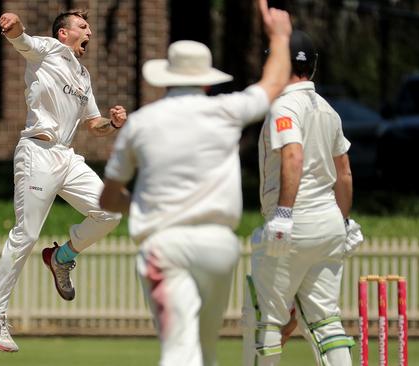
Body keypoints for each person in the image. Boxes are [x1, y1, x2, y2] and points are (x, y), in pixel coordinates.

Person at [98, 1, 292, 365]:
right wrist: (279, 37)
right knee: (203, 351)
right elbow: (274, 83)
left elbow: (107, 197)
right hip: (219, 247)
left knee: (178, 350)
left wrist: (136, 203)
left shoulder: (141, 123)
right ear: (206, 80)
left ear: (166, 77)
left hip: (166, 246)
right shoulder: (226, 112)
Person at [0, 9, 126, 352]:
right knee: (26, 233)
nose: (89, 31)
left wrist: (113, 124)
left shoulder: (83, 75)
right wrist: (14, 26)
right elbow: (22, 41)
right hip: (38, 151)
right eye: (82, 26)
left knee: (112, 211)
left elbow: (94, 126)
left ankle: (61, 257)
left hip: (66, 156)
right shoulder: (49, 49)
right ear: (64, 34)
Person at [242, 29, 364, 366]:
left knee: (267, 317)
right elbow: (344, 173)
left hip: (294, 224)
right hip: (328, 226)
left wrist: (283, 213)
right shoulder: (327, 110)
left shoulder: (283, 105)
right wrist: (343, 221)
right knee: (326, 320)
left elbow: (292, 155)